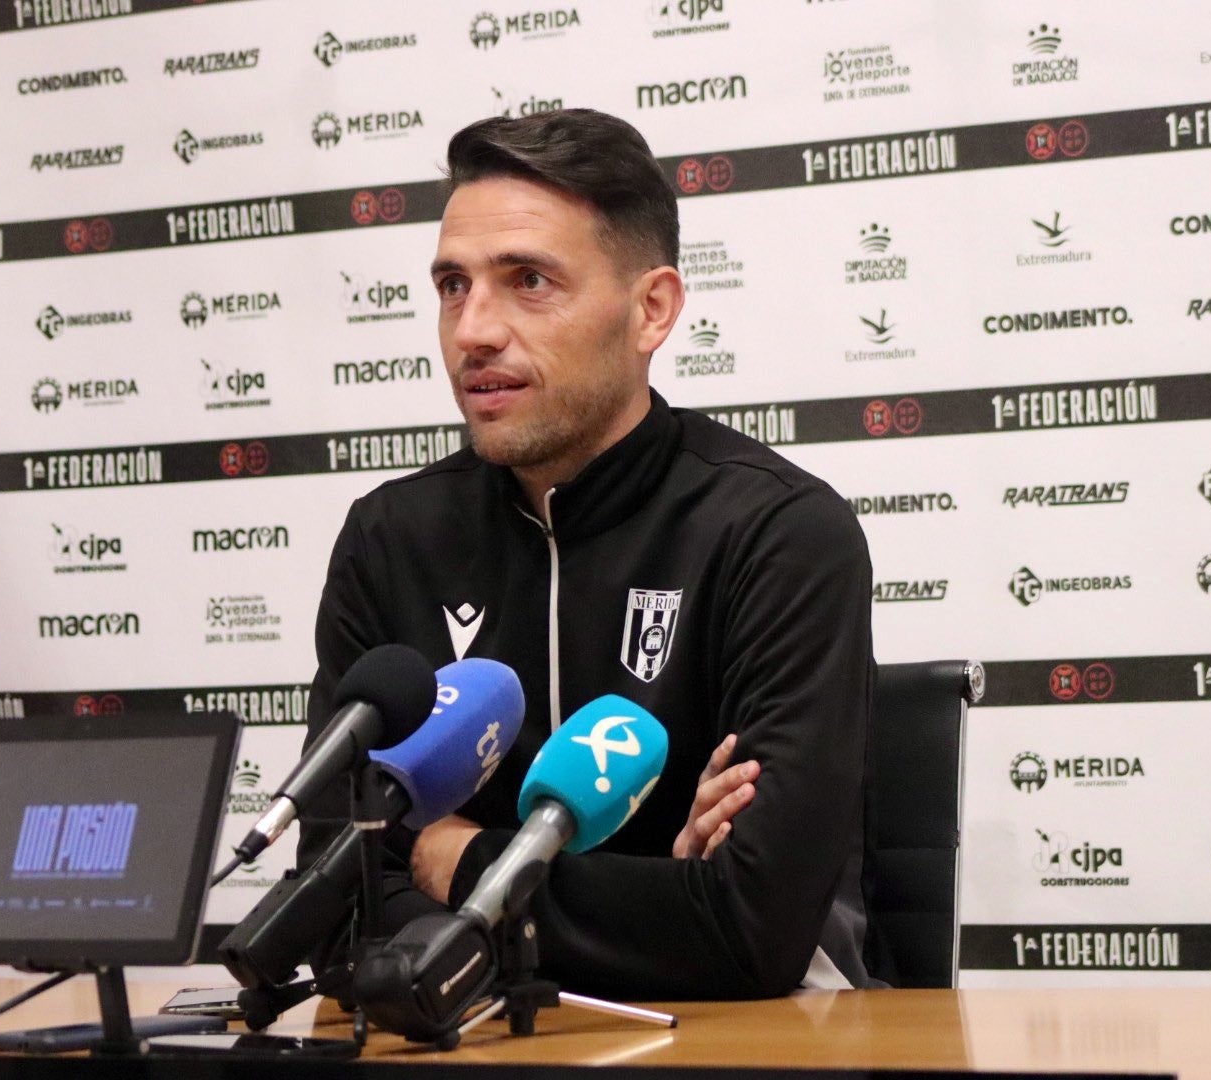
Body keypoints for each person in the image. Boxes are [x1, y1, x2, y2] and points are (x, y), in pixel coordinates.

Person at [298, 108, 874, 999]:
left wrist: (451, 857)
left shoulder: (778, 534)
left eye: (528, 280)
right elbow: (331, 905)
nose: (472, 331)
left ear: (652, 310)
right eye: (453, 285)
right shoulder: (390, 541)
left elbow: (747, 930)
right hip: (463, 1047)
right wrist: (651, 901)